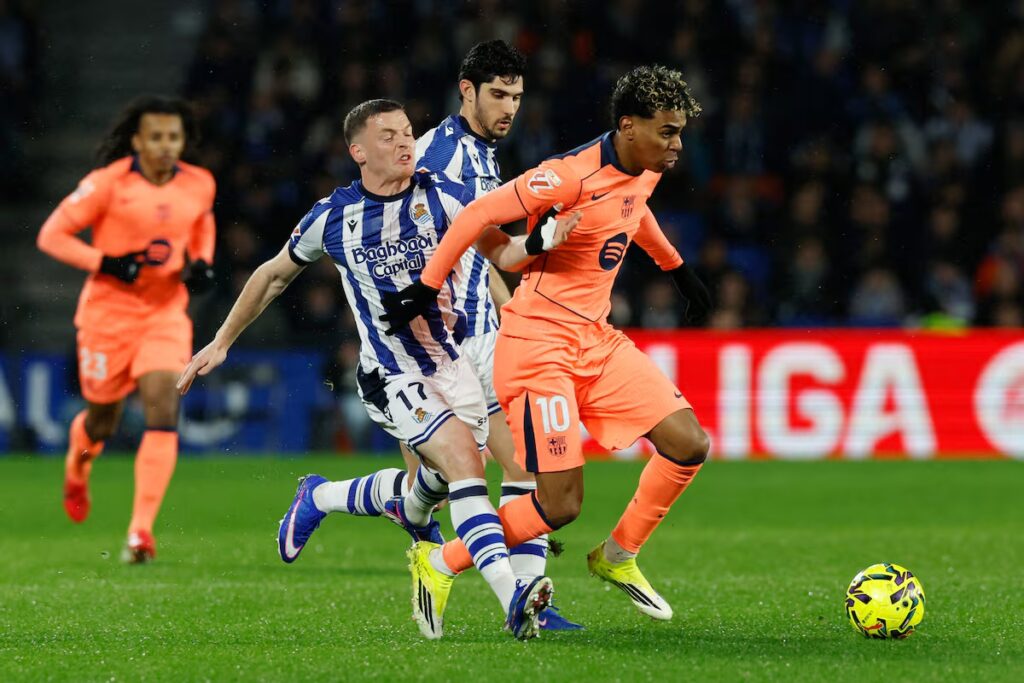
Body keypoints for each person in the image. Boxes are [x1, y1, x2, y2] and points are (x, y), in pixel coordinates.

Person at [176, 99, 579, 640]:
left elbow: (501, 253)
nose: (404, 142)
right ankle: (515, 599)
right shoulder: (333, 217)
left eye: (408, 132)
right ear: (358, 151)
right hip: (391, 375)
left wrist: (541, 240)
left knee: (429, 489)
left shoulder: (445, 195)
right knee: (467, 466)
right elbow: (273, 275)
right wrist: (221, 342)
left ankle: (321, 496)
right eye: (388, 136)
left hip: (453, 366)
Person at [381, 65, 713, 624]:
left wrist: (677, 269)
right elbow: (479, 214)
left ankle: (618, 556)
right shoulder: (566, 177)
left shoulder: (645, 167)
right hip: (538, 348)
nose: (677, 144)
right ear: (628, 127)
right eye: (667, 132)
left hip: (597, 340)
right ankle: (440, 561)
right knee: (559, 504)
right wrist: (427, 285)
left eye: (680, 132)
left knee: (689, 443)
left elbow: (634, 209)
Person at [287, 39, 580, 630]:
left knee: (518, 469)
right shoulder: (435, 158)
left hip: (484, 335)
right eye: (499, 95)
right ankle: (329, 500)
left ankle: (529, 599)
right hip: (437, 349)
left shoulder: (481, 155)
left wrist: (513, 314)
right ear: (467, 91)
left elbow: (479, 248)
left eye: (517, 97)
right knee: (442, 482)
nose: (510, 107)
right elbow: (391, 256)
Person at [36, 95, 217, 563]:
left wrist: (201, 261)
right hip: (108, 317)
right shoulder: (107, 184)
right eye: (155, 137)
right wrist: (106, 262)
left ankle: (140, 532)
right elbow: (51, 235)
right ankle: (78, 465)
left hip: (164, 314)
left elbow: (202, 222)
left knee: (163, 407)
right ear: (137, 141)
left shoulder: (199, 183)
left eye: (173, 136)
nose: (165, 145)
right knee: (102, 422)